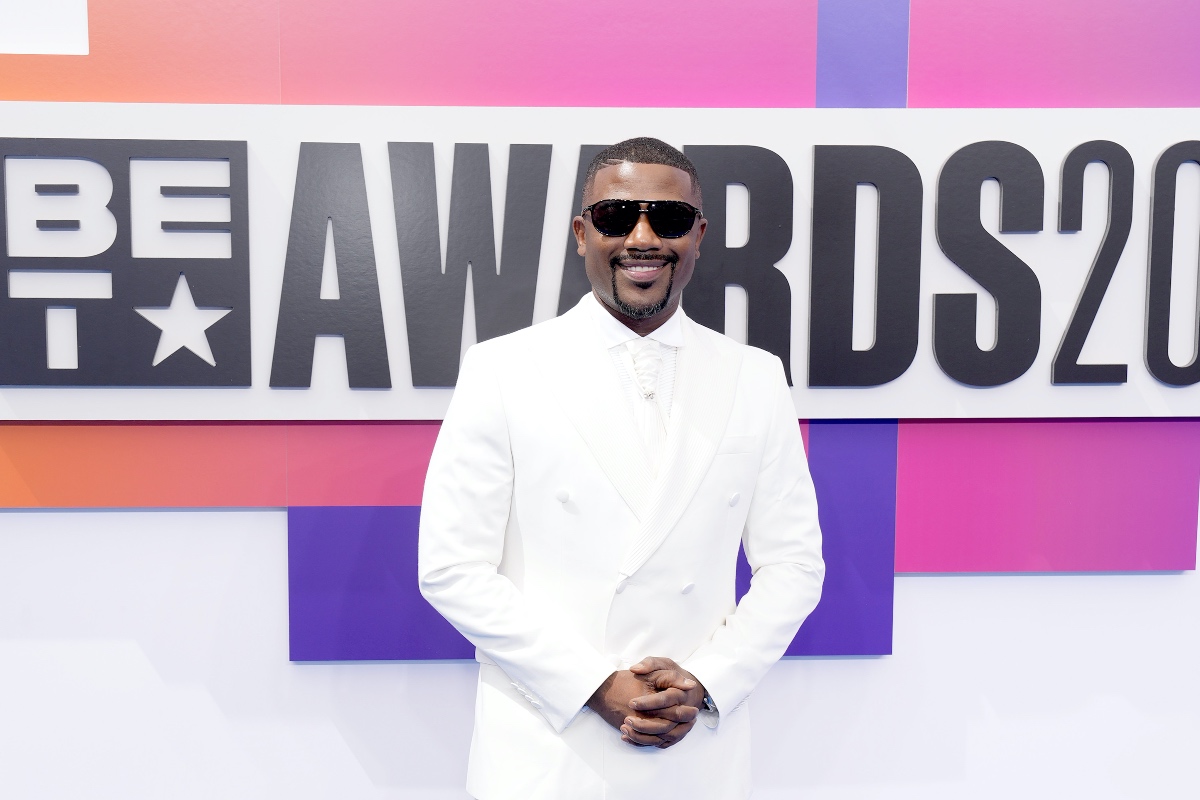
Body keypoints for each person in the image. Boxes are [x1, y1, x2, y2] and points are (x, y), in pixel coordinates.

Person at [418, 137, 824, 800]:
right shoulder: (503, 370)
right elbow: (452, 566)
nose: (642, 238)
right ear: (582, 233)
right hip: (546, 749)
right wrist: (592, 686)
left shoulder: (755, 378)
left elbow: (794, 564)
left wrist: (707, 680)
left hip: (694, 754)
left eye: (668, 219)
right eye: (616, 217)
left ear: (698, 236)